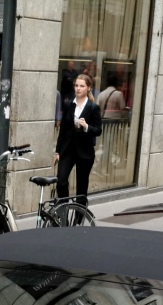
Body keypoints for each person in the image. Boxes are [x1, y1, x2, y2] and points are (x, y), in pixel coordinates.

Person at [55, 73, 102, 206]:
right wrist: (57, 152)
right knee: (61, 181)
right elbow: (63, 131)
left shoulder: (93, 108)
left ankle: (79, 216)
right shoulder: (69, 104)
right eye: (76, 85)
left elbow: (98, 130)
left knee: (81, 187)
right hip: (68, 150)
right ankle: (63, 210)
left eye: (81, 86)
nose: (78, 88)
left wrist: (86, 126)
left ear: (88, 88)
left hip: (85, 152)